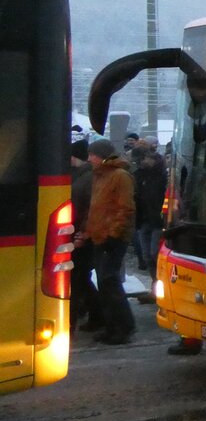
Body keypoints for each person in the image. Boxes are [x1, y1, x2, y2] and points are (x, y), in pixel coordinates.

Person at [84, 139, 137, 344]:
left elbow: (125, 209)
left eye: (92, 154)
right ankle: (112, 326)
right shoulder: (101, 176)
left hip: (111, 239)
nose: (89, 158)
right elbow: (96, 208)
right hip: (100, 236)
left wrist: (113, 235)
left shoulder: (119, 176)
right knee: (106, 283)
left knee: (109, 282)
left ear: (103, 155)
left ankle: (123, 327)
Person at [69, 137, 101, 333]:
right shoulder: (81, 175)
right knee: (80, 277)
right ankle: (97, 314)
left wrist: (82, 231)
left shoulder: (86, 178)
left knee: (79, 277)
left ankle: (98, 314)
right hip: (79, 231)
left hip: (83, 234)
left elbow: (90, 208)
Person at [133, 136, 168, 272]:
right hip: (144, 219)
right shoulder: (139, 175)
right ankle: (155, 283)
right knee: (147, 255)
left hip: (157, 219)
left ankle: (158, 281)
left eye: (143, 159)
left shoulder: (161, 175)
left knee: (154, 253)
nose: (141, 162)